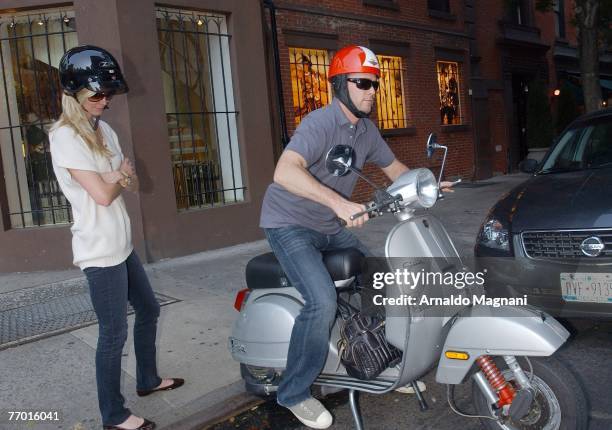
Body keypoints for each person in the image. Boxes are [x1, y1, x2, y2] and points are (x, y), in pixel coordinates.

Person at [260, 45, 453, 429]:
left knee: (380, 281)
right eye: (363, 82)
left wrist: (426, 184)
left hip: (331, 228)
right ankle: (294, 392)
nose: (371, 91)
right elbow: (285, 171)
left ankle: (375, 358)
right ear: (340, 84)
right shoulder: (320, 123)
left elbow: (395, 169)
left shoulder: (366, 130)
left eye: (375, 84)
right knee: (321, 300)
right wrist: (339, 204)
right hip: (290, 223)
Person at [50, 45, 184, 430]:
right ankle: (113, 414)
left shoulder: (104, 129)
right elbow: (102, 195)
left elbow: (134, 182)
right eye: (97, 95)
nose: (104, 101)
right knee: (112, 333)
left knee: (149, 309)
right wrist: (115, 177)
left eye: (108, 94)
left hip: (122, 244)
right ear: (73, 94)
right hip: (98, 248)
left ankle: (147, 380)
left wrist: (117, 175)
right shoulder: (64, 137)